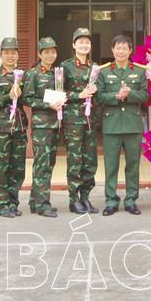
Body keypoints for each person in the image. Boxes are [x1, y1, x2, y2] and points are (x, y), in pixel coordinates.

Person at [95, 34, 150, 215]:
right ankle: (111, 200)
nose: (120, 51)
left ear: (130, 50)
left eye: (124, 48)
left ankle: (131, 199)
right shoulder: (103, 72)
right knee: (111, 165)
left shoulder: (140, 71)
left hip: (133, 125)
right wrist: (115, 97)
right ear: (112, 50)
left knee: (133, 165)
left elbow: (146, 96)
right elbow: (99, 97)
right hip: (111, 125)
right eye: (117, 48)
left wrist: (130, 94)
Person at [0, 37, 29, 217]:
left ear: (18, 54)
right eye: (6, 53)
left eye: (13, 52)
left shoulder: (23, 75)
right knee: (1, 169)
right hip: (0, 129)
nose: (10, 56)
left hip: (18, 127)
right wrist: (8, 96)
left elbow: (30, 98)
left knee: (18, 168)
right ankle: (2, 205)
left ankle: (13, 202)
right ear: (1, 54)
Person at [22, 37, 64, 218]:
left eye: (52, 51)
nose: (50, 55)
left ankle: (34, 201)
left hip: (55, 124)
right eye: (46, 52)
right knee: (42, 165)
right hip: (41, 126)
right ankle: (42, 204)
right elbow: (27, 98)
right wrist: (49, 104)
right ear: (39, 54)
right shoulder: (33, 73)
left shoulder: (57, 73)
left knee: (49, 163)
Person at [62, 27, 100, 214]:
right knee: (75, 159)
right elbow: (59, 92)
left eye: (87, 42)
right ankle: (73, 199)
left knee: (90, 160)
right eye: (81, 42)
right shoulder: (65, 66)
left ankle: (85, 197)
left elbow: (99, 93)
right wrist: (79, 94)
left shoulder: (95, 67)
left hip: (90, 120)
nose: (84, 45)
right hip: (73, 120)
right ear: (74, 44)